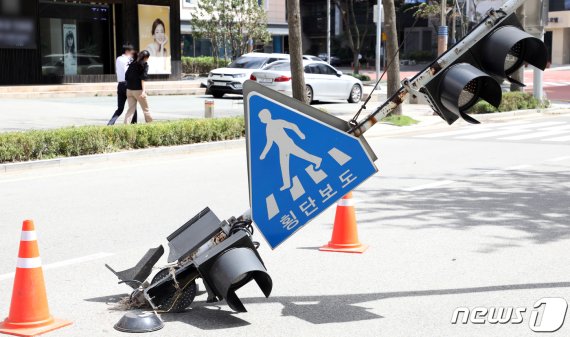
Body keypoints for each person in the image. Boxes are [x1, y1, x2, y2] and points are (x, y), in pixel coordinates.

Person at [258, 109, 321, 191]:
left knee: (302, 154)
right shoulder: (268, 128)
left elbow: (292, 126)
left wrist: (300, 134)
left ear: (266, 117)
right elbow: (269, 142)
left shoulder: (277, 122)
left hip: (288, 144)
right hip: (282, 147)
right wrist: (264, 154)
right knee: (284, 164)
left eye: (261, 118)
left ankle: (317, 160)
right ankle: (287, 184)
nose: (261, 120)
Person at [108, 44, 137, 125]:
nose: (132, 53)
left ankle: (110, 123)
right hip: (128, 84)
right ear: (127, 51)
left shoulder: (118, 59)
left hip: (120, 85)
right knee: (133, 107)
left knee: (120, 108)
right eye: (131, 52)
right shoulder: (129, 59)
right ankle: (134, 124)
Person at [124, 50, 153, 124]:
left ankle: (125, 127)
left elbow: (126, 76)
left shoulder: (132, 64)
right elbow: (143, 79)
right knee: (146, 110)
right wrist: (143, 91)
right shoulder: (144, 65)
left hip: (129, 90)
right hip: (139, 91)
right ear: (146, 57)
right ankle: (151, 126)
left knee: (130, 110)